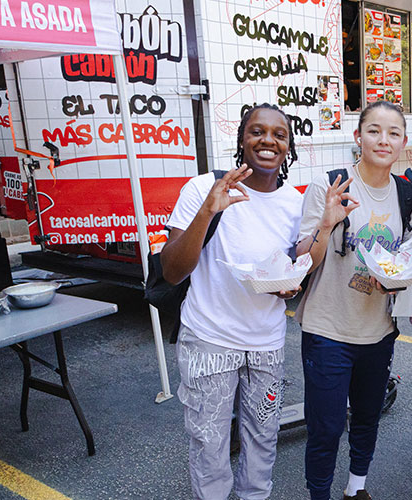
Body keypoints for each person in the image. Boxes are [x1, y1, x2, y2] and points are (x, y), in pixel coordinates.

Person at [160, 103, 303, 500]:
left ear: (288, 146)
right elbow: (172, 270)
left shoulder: (294, 203)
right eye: (257, 131)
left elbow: (293, 267)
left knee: (263, 437)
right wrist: (209, 209)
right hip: (210, 338)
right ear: (242, 139)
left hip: (266, 343)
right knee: (210, 443)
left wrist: (291, 286)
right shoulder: (203, 187)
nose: (268, 140)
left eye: (279, 134)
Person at [294, 100, 412, 500]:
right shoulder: (330, 185)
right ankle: (319, 495)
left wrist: (404, 276)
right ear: (358, 136)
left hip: (378, 329)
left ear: (403, 143)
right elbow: (302, 263)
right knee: (326, 427)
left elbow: (403, 257)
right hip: (328, 329)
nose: (384, 140)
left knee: (367, 417)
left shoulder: (404, 192)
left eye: (394, 133)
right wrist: (328, 222)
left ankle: (356, 488)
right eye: (375, 130)